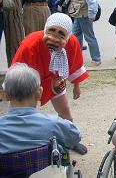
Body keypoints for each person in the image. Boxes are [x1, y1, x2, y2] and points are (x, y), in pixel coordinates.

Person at [11, 13, 89, 154]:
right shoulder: (30, 43)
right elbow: (18, 71)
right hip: (28, 83)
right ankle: (17, 143)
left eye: (61, 34)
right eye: (51, 30)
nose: (54, 36)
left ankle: (70, 140)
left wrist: (76, 85)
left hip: (57, 79)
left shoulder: (72, 43)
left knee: (65, 113)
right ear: (45, 29)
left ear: (68, 36)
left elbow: (75, 63)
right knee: (20, 114)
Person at [0, 63, 81, 154]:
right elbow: (75, 136)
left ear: (5, 95)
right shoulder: (54, 124)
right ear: (39, 93)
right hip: (46, 167)